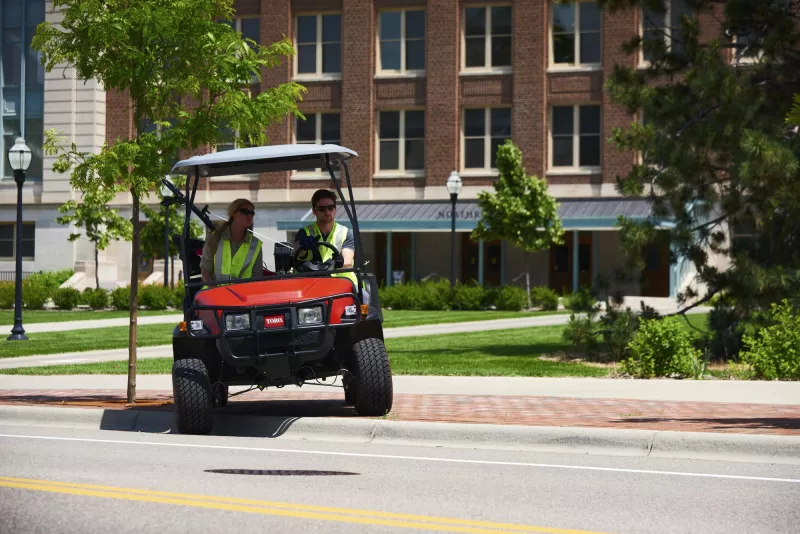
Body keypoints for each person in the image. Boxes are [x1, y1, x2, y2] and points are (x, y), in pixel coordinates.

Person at [294, 189, 369, 302]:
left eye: (330, 207)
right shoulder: (304, 233)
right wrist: (304, 248)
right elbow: (296, 256)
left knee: (364, 296)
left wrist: (338, 262)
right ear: (314, 211)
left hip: (342, 284)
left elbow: (347, 262)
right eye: (322, 209)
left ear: (335, 209)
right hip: (311, 284)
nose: (327, 212)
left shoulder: (345, 232)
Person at [200, 198, 263, 283]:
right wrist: (216, 291)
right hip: (214, 293)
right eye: (245, 212)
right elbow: (205, 272)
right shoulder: (214, 238)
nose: (250, 216)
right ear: (234, 213)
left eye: (252, 213)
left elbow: (257, 278)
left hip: (242, 294)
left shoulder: (256, 244)